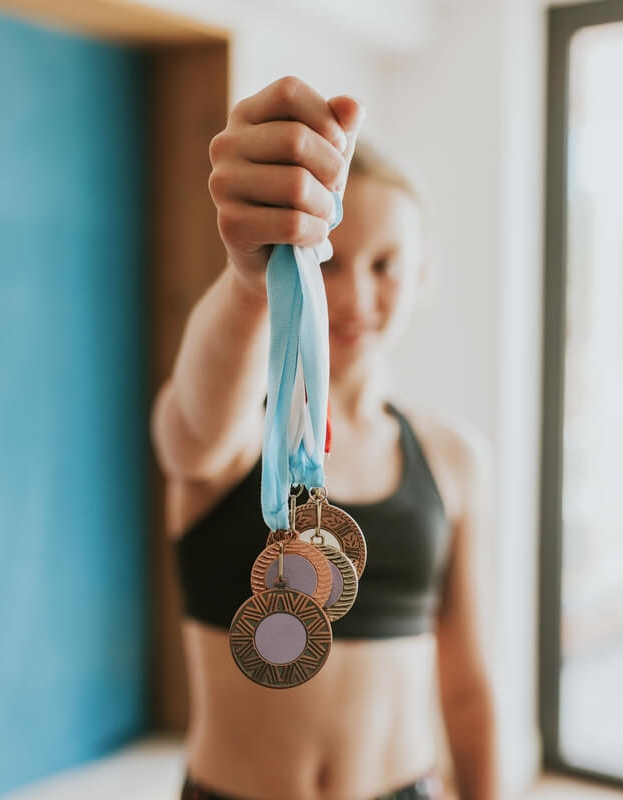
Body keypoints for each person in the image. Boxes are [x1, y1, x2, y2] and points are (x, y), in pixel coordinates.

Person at [152, 75, 498, 800]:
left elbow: (466, 685)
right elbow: (190, 432)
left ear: (424, 273)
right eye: (328, 262)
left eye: (386, 265)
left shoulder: (452, 459)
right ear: (293, 266)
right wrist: (250, 280)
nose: (355, 296)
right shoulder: (238, 435)